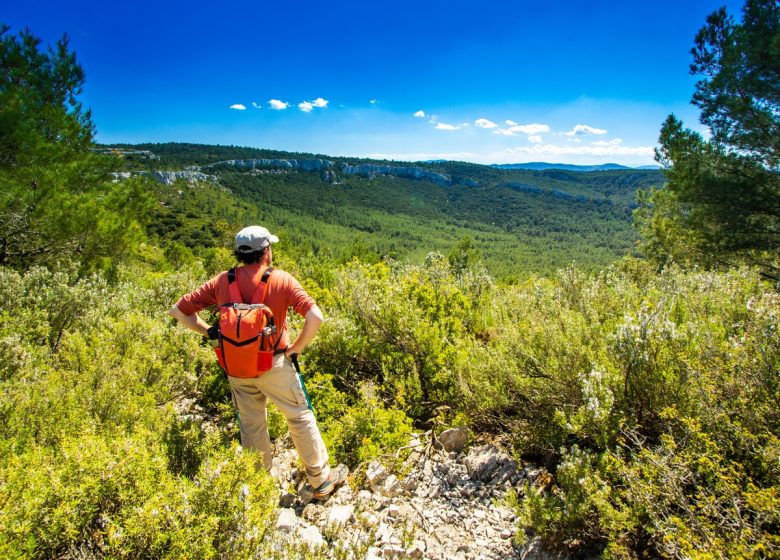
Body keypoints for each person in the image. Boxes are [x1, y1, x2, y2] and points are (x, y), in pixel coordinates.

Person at [170, 225, 347, 499]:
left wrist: (209, 331)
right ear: (265, 252)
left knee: (251, 425)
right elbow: (315, 317)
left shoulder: (221, 282)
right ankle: (320, 481)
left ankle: (259, 487)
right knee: (299, 417)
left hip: (237, 368)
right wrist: (295, 349)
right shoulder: (282, 280)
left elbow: (179, 311)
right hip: (274, 364)